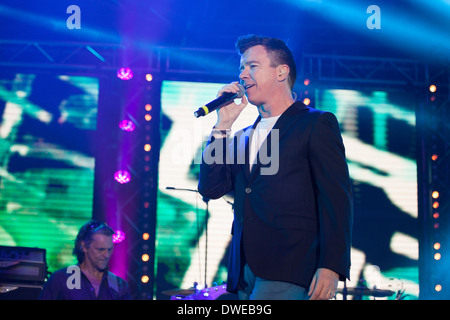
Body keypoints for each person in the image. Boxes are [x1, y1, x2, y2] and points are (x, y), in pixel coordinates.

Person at [198, 35, 353, 300]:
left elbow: (336, 199)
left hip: (289, 265)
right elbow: (211, 188)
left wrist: (332, 265)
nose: (243, 75)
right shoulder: (242, 136)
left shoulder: (315, 124)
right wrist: (222, 126)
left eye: (252, 66)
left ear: (281, 72)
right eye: (241, 68)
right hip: (242, 269)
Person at [39, 220, 131, 300]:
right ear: (84, 246)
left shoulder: (119, 285)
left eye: (109, 250)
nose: (106, 255)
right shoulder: (60, 279)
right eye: (100, 249)